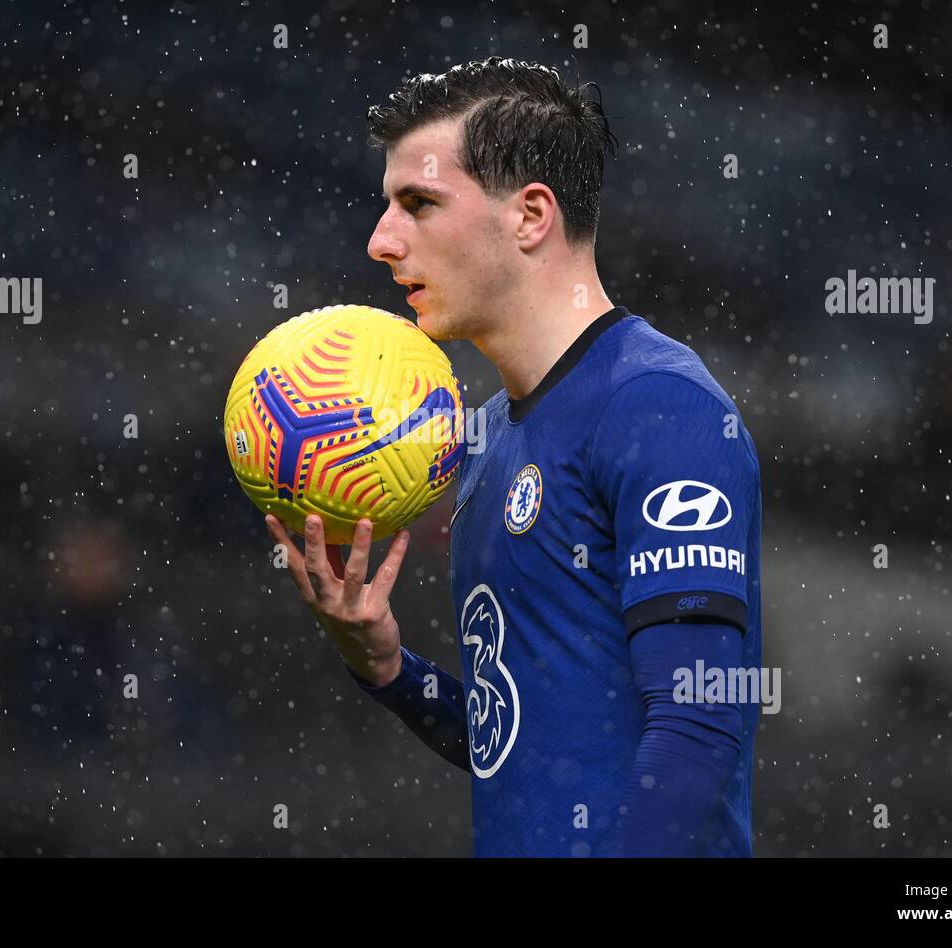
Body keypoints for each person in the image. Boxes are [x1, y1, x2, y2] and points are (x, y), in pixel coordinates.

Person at [265, 57, 762, 857]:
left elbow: (697, 729)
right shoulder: (486, 440)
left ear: (531, 215)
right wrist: (391, 668)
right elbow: (522, 748)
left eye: (418, 203)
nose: (380, 240)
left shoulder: (660, 407)